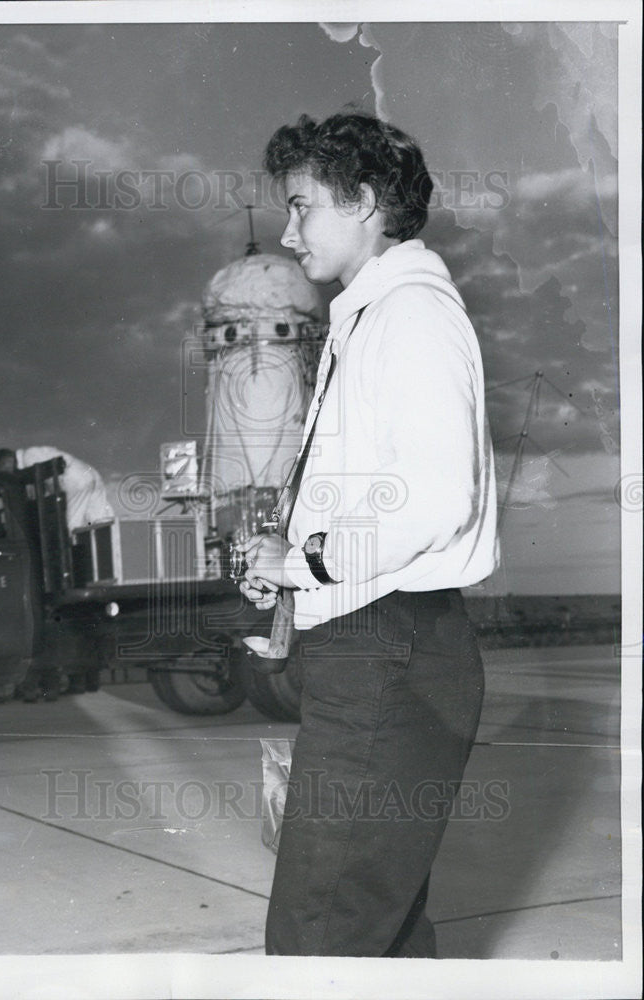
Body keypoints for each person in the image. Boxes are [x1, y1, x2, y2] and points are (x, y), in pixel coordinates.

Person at [240, 112, 499, 957]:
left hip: (387, 648)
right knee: (377, 933)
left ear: (361, 202)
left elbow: (428, 498)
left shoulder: (409, 317)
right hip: (372, 648)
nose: (287, 231)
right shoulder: (369, 319)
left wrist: (307, 560)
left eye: (301, 205)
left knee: (319, 938)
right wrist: (288, 568)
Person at [0, 445, 113, 533]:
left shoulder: (29, 456)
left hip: (74, 482)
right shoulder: (32, 454)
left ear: (5, 461)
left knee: (69, 528)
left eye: (3, 470)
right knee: (98, 523)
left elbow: (44, 484)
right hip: (90, 476)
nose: (7, 473)